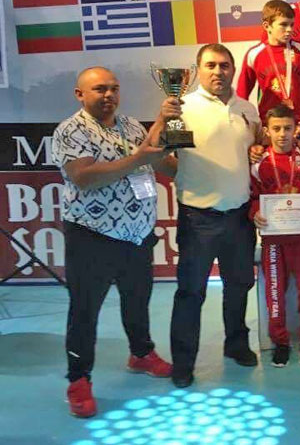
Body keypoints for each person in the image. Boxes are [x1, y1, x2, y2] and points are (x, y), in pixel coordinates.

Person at [53, 66, 174, 418]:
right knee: (84, 311)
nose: (109, 95)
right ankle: (78, 380)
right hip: (92, 236)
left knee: (137, 300)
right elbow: (84, 177)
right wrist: (139, 159)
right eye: (100, 89)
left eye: (114, 88)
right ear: (80, 94)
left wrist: (172, 138)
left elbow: (162, 163)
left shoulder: (132, 126)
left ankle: (141, 353)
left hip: (137, 235)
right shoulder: (70, 130)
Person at [167, 43, 262, 388]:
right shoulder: (181, 108)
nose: (218, 71)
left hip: (239, 216)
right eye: (210, 65)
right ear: (198, 70)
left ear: (233, 70)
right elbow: (165, 158)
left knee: (239, 285)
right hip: (198, 219)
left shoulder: (247, 109)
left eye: (224, 65)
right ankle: (183, 363)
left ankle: (236, 344)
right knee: (191, 293)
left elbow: (256, 149)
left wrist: (259, 148)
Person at [249, 104, 300, 368]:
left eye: (287, 128)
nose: (282, 134)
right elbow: (252, 197)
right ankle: (280, 342)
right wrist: (255, 213)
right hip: (273, 240)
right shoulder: (258, 164)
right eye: (276, 129)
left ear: (296, 130)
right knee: (275, 292)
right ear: (266, 131)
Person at [236, 0, 300, 124]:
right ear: (267, 26)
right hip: (270, 124)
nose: (289, 29)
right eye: (283, 25)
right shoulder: (254, 54)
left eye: (291, 24)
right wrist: (244, 121)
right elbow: (242, 94)